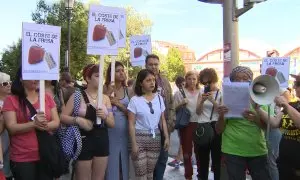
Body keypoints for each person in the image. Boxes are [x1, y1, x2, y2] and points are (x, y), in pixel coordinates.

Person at [2, 68, 60, 180]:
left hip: (46, 153)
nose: (36, 78)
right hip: (23, 158)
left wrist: (44, 126)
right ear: (21, 79)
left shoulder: (46, 97)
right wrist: (33, 124)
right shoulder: (11, 100)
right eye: (31, 75)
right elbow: (11, 128)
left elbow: (56, 121)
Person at [216, 66, 271, 180]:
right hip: (233, 150)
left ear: (251, 81)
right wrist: (221, 116)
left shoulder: (260, 97)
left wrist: (256, 119)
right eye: (237, 79)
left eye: (245, 78)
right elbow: (219, 130)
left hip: (257, 150)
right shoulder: (226, 99)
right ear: (232, 82)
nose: (241, 82)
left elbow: (268, 127)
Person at [61, 64, 114, 180]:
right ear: (88, 78)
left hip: (102, 138)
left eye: (102, 76)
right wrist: (78, 120)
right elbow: (63, 117)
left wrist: (104, 116)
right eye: (97, 76)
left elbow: (112, 124)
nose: (101, 79)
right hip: (83, 139)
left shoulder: (105, 98)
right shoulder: (77, 96)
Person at [255, 73, 300, 180]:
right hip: (285, 162)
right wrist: (257, 109)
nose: (294, 87)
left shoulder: (289, 107)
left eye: (297, 84)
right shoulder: (293, 105)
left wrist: (286, 105)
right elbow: (275, 122)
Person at [128, 69, 169, 180]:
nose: (152, 83)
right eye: (148, 80)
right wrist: (133, 143)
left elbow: (162, 120)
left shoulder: (160, 99)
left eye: (153, 80)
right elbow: (131, 123)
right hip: (139, 138)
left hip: (155, 138)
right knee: (141, 174)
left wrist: (166, 137)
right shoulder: (135, 100)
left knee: (150, 174)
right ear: (141, 83)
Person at [143, 54, 175, 180]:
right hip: (147, 128)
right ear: (146, 65)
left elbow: (171, 103)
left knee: (163, 158)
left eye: (156, 64)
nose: (153, 66)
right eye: (150, 64)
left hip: (164, 125)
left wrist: (171, 121)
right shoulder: (140, 81)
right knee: (150, 160)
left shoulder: (165, 81)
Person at [104, 61, 133, 180]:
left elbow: (132, 114)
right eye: (117, 71)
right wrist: (107, 94)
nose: (121, 73)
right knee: (111, 162)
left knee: (124, 162)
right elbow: (97, 109)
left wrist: (119, 104)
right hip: (109, 131)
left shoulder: (129, 91)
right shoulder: (104, 88)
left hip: (125, 131)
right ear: (111, 74)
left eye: (122, 70)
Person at [195, 68, 222, 180]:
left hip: (215, 127)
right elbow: (197, 112)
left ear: (214, 80)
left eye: (209, 82)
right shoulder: (201, 93)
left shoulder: (220, 93)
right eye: (204, 83)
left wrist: (212, 100)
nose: (207, 85)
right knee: (203, 160)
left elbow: (222, 111)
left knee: (216, 160)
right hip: (202, 127)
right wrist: (202, 101)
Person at [174, 71, 201, 180]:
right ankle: (188, 175)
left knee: (200, 150)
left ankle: (200, 173)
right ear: (186, 80)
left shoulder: (201, 92)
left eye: (194, 79)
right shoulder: (180, 93)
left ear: (197, 80)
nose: (192, 81)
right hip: (186, 124)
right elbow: (173, 109)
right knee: (187, 152)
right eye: (189, 79)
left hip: (199, 124)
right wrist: (181, 103)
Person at [168, 76, 185, 168]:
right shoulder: (177, 94)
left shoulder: (191, 92)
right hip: (181, 120)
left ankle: (179, 159)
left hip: (188, 120)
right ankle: (181, 159)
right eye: (180, 85)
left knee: (185, 140)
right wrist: (182, 104)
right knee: (183, 140)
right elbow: (173, 108)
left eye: (183, 84)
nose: (182, 86)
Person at [0, 72, 13, 180]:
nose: (9, 85)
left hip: (13, 143)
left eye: (10, 82)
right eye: (5, 83)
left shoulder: (13, 101)